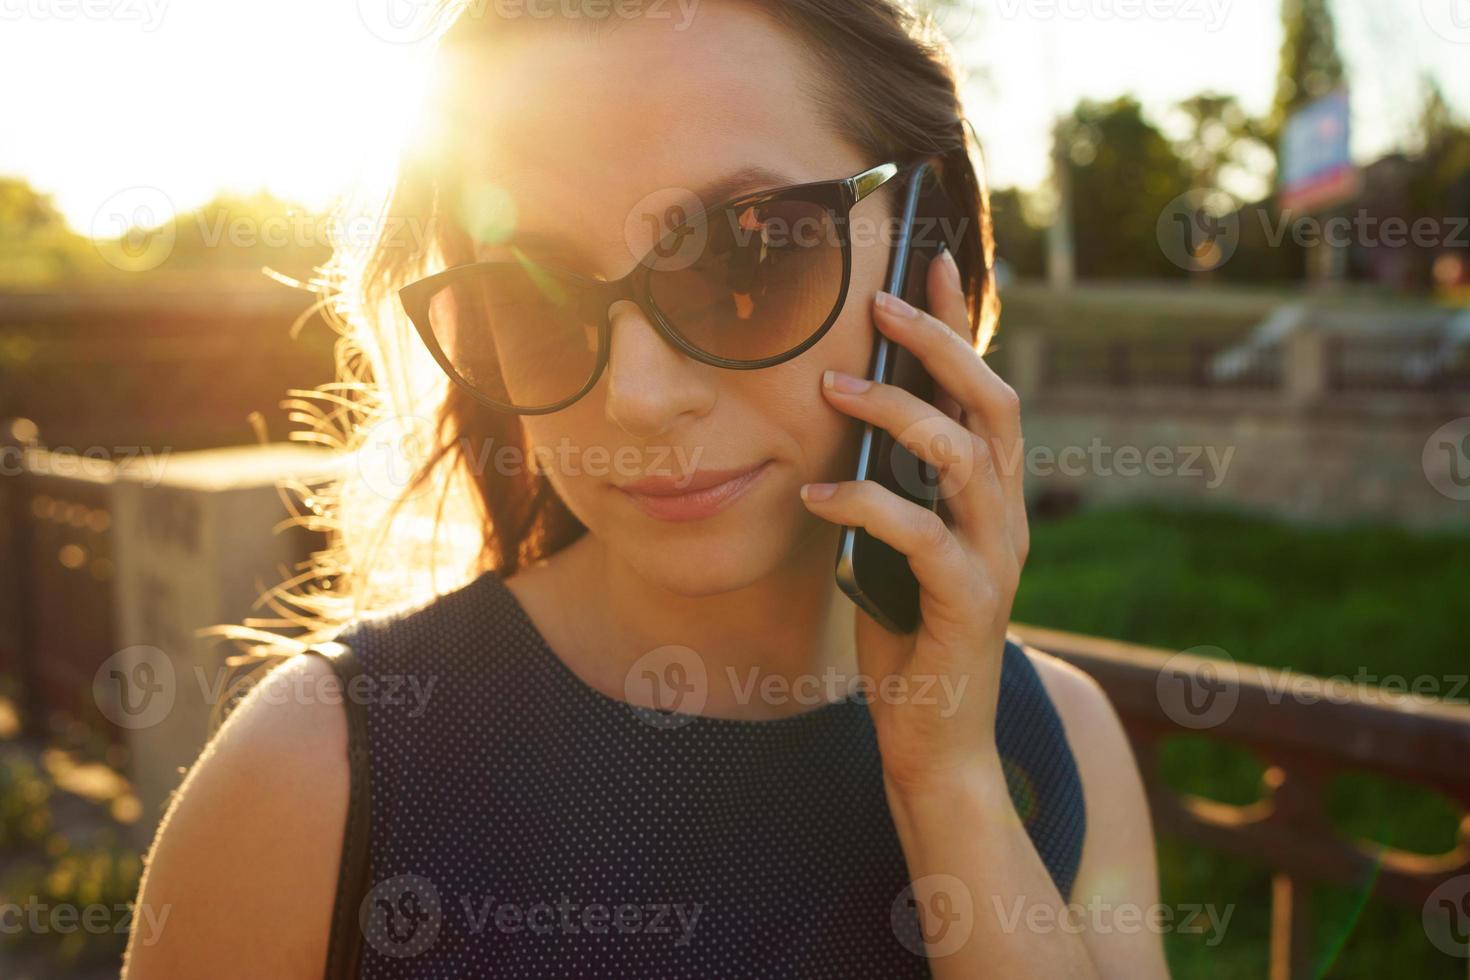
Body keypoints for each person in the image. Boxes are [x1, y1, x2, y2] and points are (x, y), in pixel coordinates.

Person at [123, 1, 1167, 977]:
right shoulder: (314, 778)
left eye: (745, 255)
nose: (639, 396)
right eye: (531, 296)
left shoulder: (1058, 743)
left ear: (920, 235)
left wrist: (954, 787)